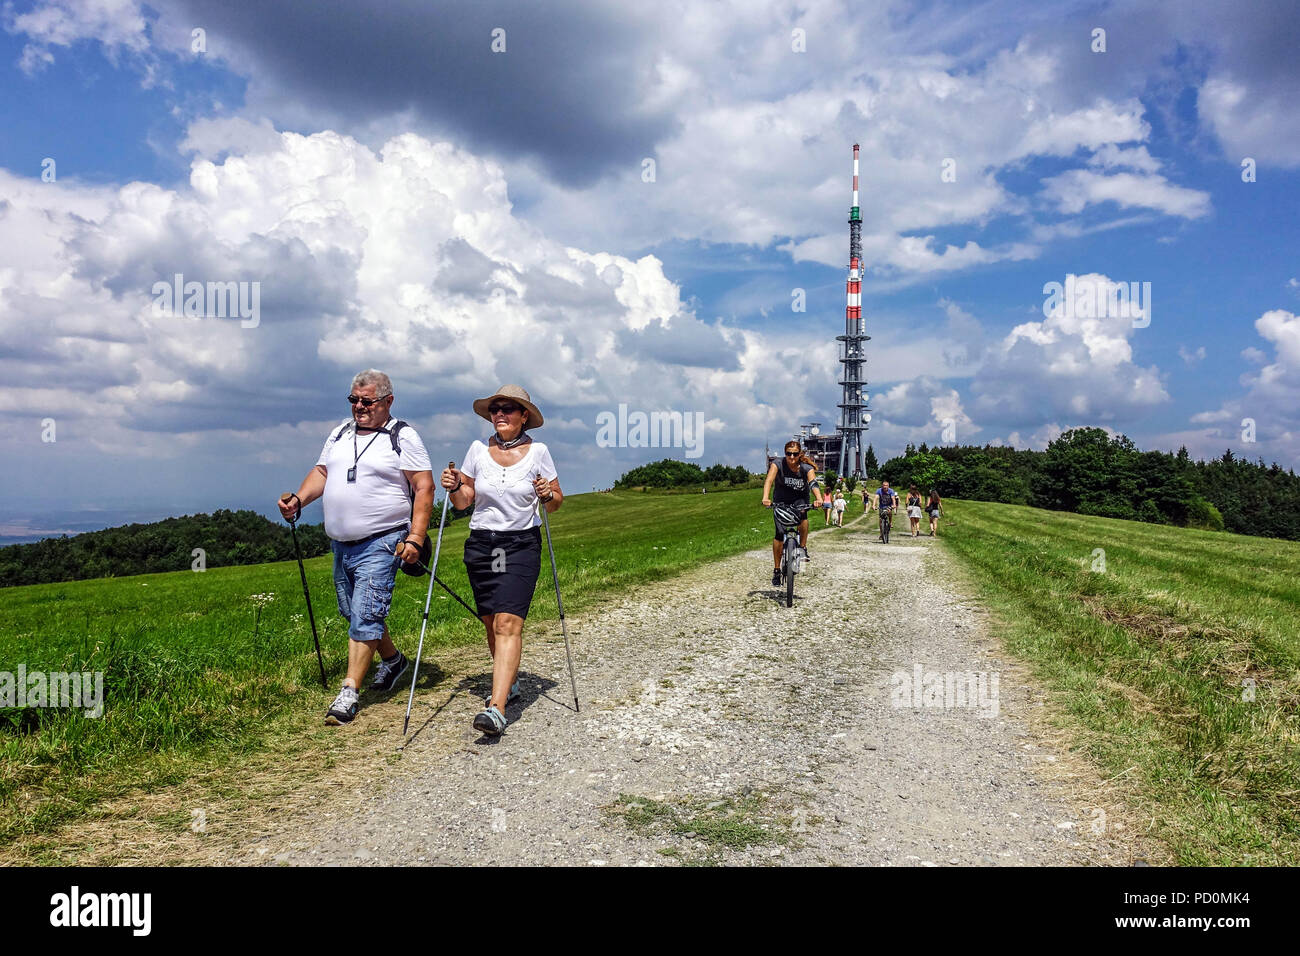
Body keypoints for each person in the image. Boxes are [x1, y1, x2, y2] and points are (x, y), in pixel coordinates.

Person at [278, 370, 435, 726]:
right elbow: (322, 472)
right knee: (353, 612)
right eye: (354, 400)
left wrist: (416, 537)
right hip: (341, 544)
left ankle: (349, 693)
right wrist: (299, 500)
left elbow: (424, 487)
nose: (359, 407)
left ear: (388, 401)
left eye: (367, 401)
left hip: (383, 540)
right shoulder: (339, 433)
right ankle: (394, 662)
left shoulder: (402, 436)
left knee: (366, 613)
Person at [442, 385, 561, 738]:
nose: (500, 414)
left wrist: (547, 494)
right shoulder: (477, 450)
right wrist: (452, 486)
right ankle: (507, 682)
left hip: (520, 544)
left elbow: (555, 502)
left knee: (509, 621)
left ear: (524, 416)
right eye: (496, 408)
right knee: (493, 620)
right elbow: (464, 502)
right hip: (484, 545)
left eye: (509, 408)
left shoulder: (539, 451)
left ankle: (496, 708)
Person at [761, 441, 825, 586]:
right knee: (779, 534)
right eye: (788, 453)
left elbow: (813, 483)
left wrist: (819, 498)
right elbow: (769, 480)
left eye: (795, 454)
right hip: (781, 500)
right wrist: (765, 497)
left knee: (803, 516)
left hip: (799, 500)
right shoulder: (777, 464)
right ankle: (777, 570)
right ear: (785, 454)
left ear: (799, 454)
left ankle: (802, 548)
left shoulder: (805, 468)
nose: (791, 457)